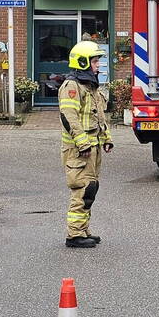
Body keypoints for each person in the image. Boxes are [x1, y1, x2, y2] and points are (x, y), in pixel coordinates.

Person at [59, 41, 114, 248]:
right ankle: (74, 235)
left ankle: (83, 229)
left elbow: (98, 116)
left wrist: (106, 138)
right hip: (78, 150)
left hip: (92, 148)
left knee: (90, 188)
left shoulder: (90, 87)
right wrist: (82, 143)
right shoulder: (71, 87)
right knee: (82, 188)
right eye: (95, 61)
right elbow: (69, 117)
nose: (98, 65)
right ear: (82, 62)